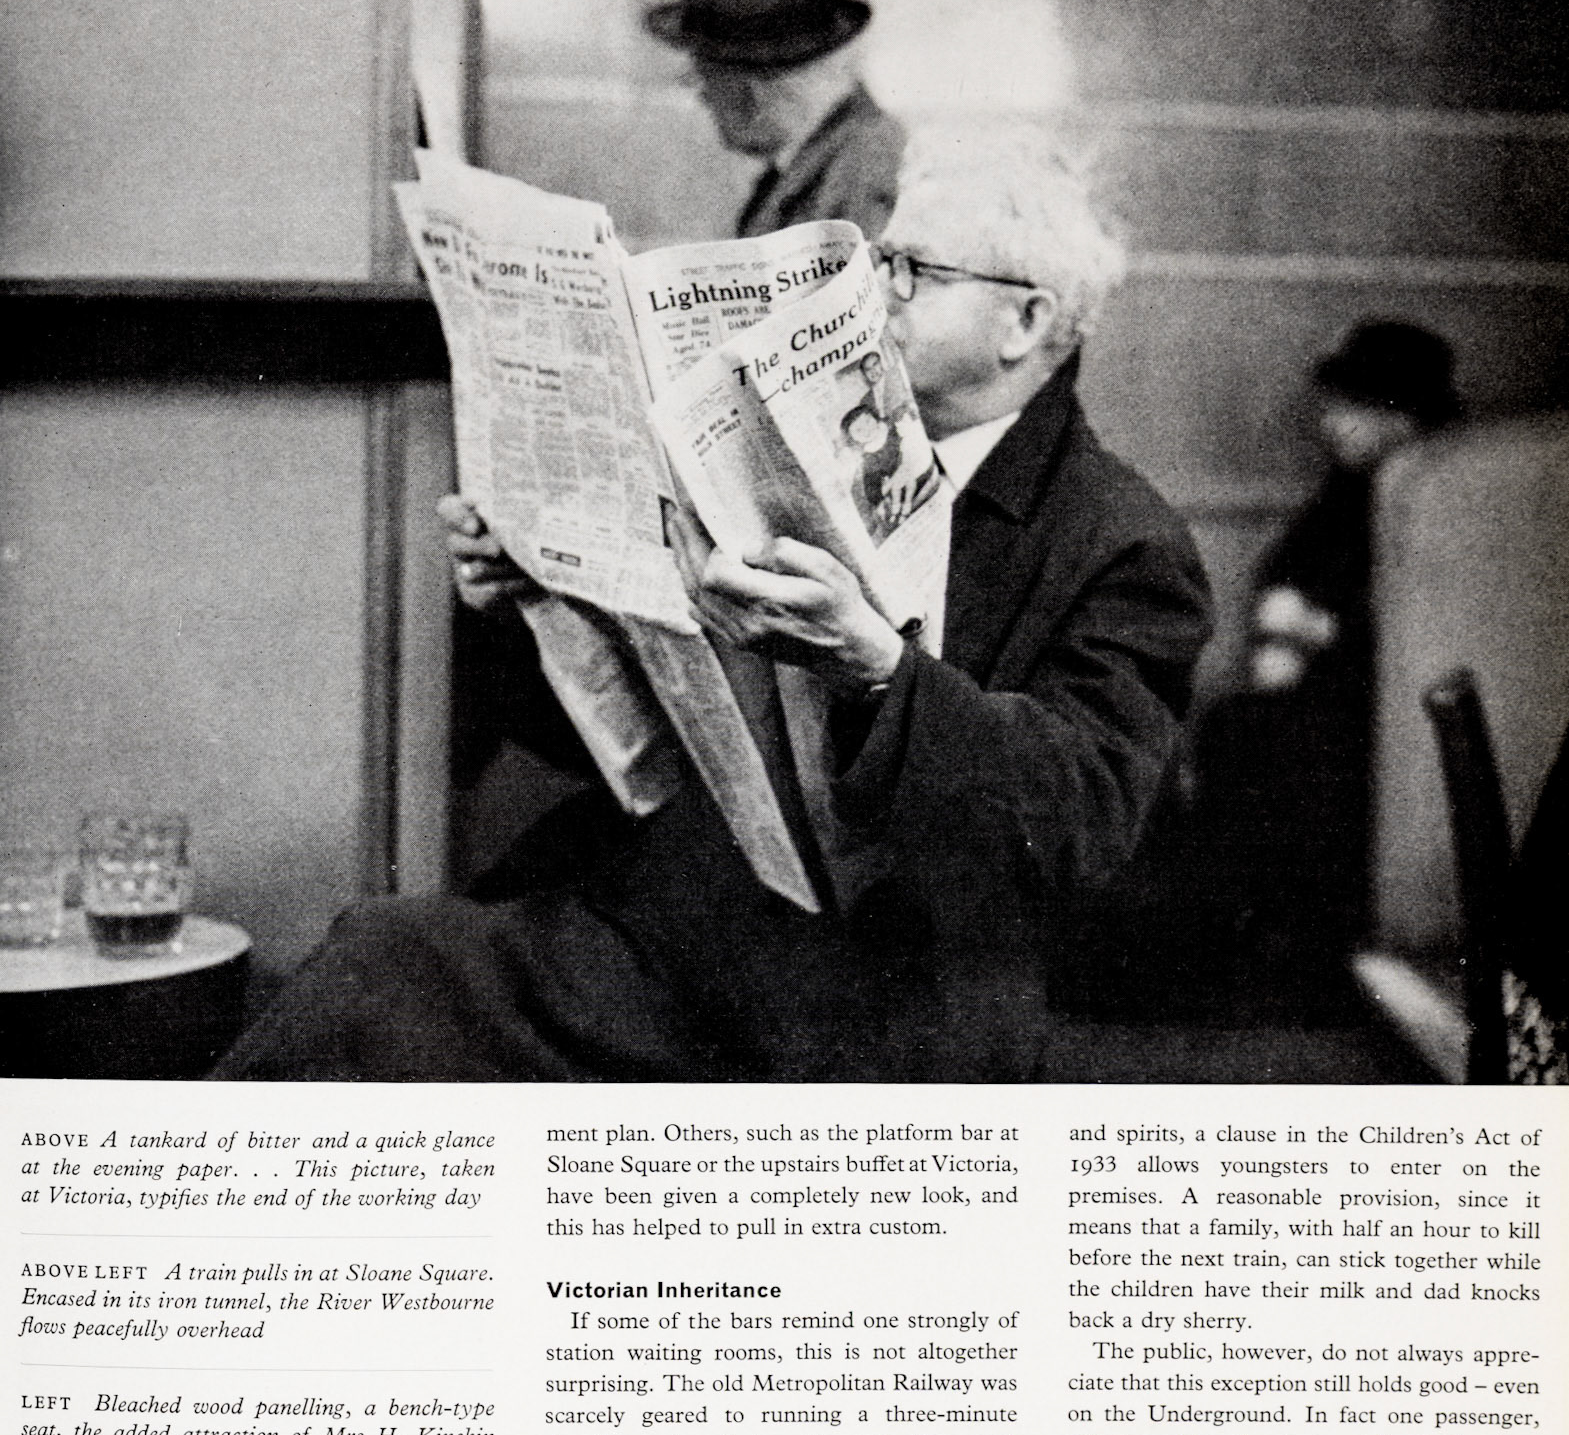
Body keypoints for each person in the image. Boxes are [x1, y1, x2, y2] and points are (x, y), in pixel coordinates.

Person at [212, 125, 1212, 1082]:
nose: (877, 297)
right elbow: (659, 731)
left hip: (871, 990)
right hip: (693, 915)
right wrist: (538, 595)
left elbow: (1078, 829)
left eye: (916, 273)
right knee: (376, 962)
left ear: (1027, 322)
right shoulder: (800, 440)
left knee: (383, 974)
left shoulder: (1121, 540)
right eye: (875, 264)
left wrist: (876, 667)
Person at [1194, 320, 1462, 994]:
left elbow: (1423, 619)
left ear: (1399, 416)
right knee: (1241, 731)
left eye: (1351, 407)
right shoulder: (1354, 486)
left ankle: (1291, 953)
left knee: (1265, 744)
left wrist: (1314, 631)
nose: (1330, 423)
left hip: (1383, 706)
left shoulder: (1433, 490)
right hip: (1329, 694)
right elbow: (1289, 569)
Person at [644, 0, 905, 239]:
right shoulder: (829, 157)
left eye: (702, 75)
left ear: (752, 87)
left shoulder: (865, 174)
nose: (702, 97)